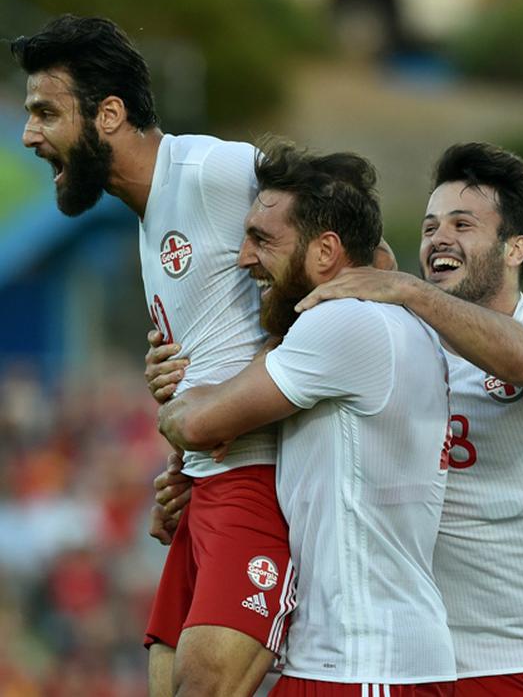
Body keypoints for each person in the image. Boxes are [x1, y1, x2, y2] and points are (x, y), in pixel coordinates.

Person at [291, 142, 523, 694]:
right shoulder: (395, 350)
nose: (438, 238)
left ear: (516, 247)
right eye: (428, 227)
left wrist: (406, 291)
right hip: (467, 666)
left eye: (462, 224)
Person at [12, 15, 290, 696]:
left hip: (258, 486)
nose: (29, 135)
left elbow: (354, 247)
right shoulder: (148, 214)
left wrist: (275, 350)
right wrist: (180, 454)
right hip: (200, 491)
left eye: (46, 112)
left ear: (108, 114)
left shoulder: (211, 171)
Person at [157, 141, 455, 696]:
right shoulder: (384, 322)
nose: (244, 258)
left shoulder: (341, 323)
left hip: (366, 662)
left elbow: (195, 424)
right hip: (358, 658)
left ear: (326, 251)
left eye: (263, 240)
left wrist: (186, 395)